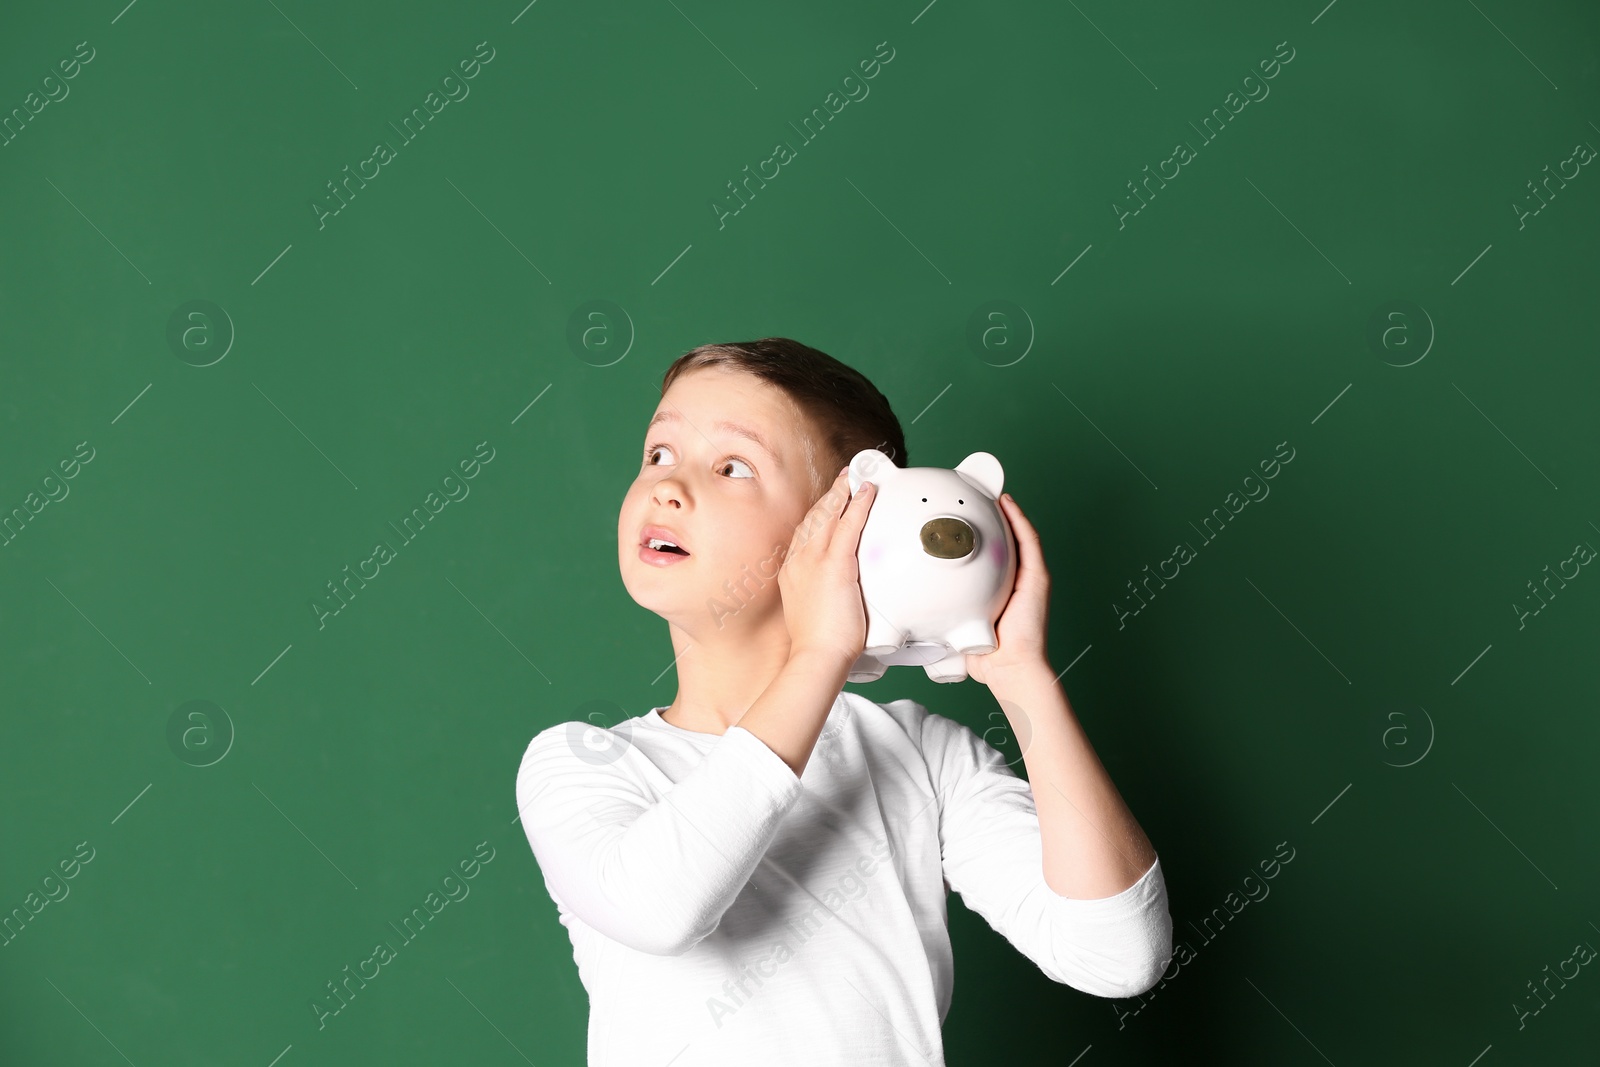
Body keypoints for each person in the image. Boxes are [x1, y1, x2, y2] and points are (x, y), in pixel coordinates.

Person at [515, 337, 1172, 1065]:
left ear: (846, 532)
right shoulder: (581, 763)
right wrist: (820, 653)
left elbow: (1117, 955)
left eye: (733, 466)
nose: (669, 486)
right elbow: (661, 908)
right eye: (659, 453)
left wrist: (1021, 676)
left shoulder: (922, 757)